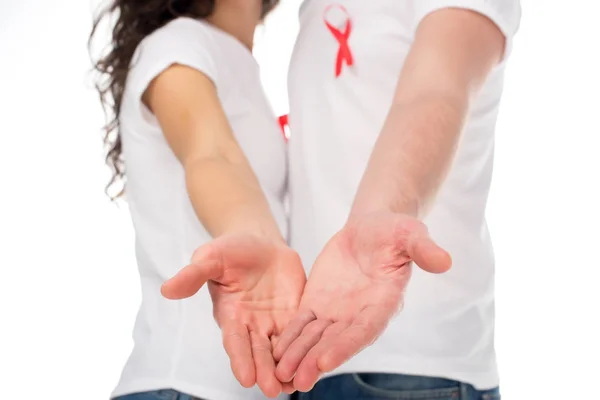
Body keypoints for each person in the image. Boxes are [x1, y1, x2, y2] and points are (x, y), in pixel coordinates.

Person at [165, 0, 522, 399]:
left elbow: (435, 90)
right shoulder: (312, 10)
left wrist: (379, 216)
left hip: (414, 360)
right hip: (308, 349)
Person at [89, 1, 307, 399]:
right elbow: (212, 154)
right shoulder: (178, 46)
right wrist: (258, 238)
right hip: (184, 386)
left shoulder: (234, 60)